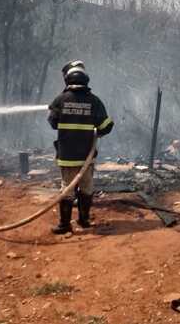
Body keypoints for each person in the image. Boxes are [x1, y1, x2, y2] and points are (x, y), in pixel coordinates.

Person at [48, 60, 114, 234]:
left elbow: (53, 123)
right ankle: (84, 220)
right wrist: (96, 129)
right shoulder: (94, 101)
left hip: (67, 156)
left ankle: (64, 225)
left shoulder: (60, 99)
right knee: (86, 188)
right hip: (86, 156)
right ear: (86, 80)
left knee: (67, 188)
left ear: (68, 80)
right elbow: (107, 126)